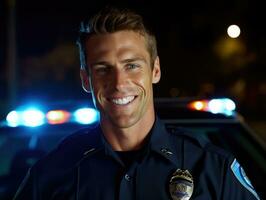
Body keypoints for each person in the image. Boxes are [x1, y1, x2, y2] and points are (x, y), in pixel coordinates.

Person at [13, 6, 260, 200]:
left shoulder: (212, 169)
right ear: (86, 79)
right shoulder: (52, 175)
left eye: (131, 65)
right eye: (103, 69)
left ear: (155, 70)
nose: (119, 83)